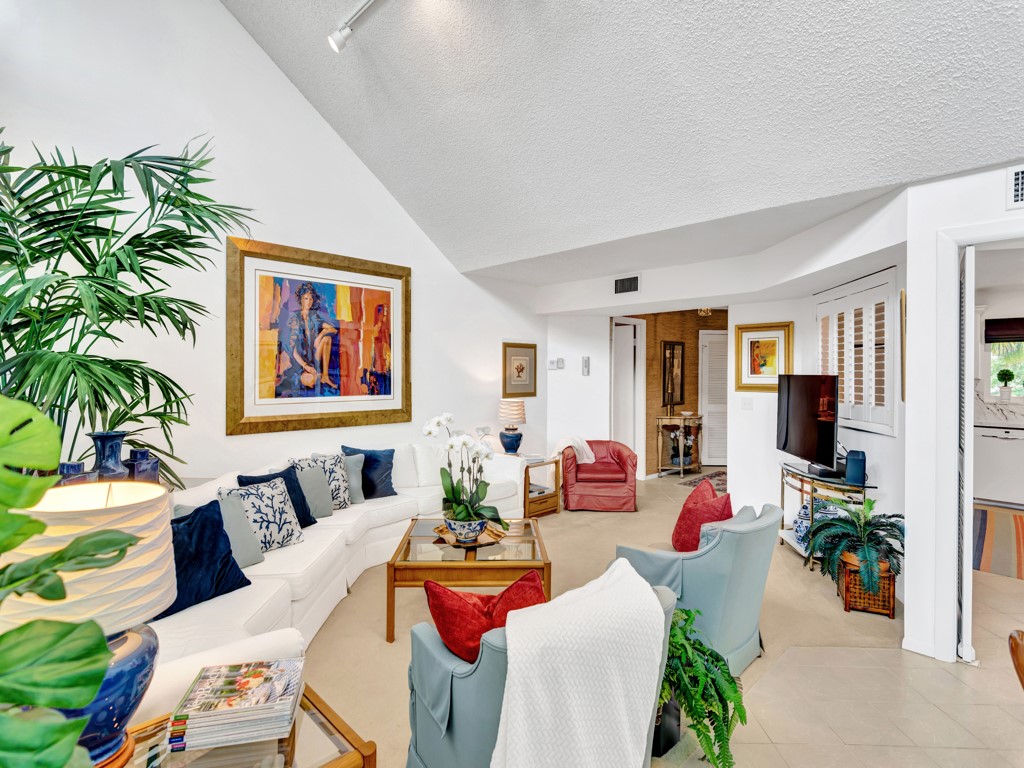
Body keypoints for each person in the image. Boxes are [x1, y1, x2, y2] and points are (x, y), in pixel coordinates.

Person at [287, 282, 337, 390]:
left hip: (314, 357)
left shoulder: (314, 317)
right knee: (311, 380)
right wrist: (305, 366)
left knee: (327, 338)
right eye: (306, 298)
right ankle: (316, 376)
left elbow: (333, 329)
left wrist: (320, 335)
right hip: (301, 364)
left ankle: (325, 376)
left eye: (311, 299)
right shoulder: (295, 318)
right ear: (301, 299)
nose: (309, 302)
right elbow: (293, 351)